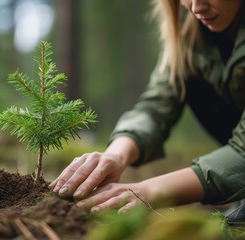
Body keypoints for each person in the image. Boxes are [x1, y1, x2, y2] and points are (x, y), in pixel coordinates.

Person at [49, 0, 245, 216]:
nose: (196, 7)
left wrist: (148, 191)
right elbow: (156, 104)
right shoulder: (187, 26)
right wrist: (115, 156)